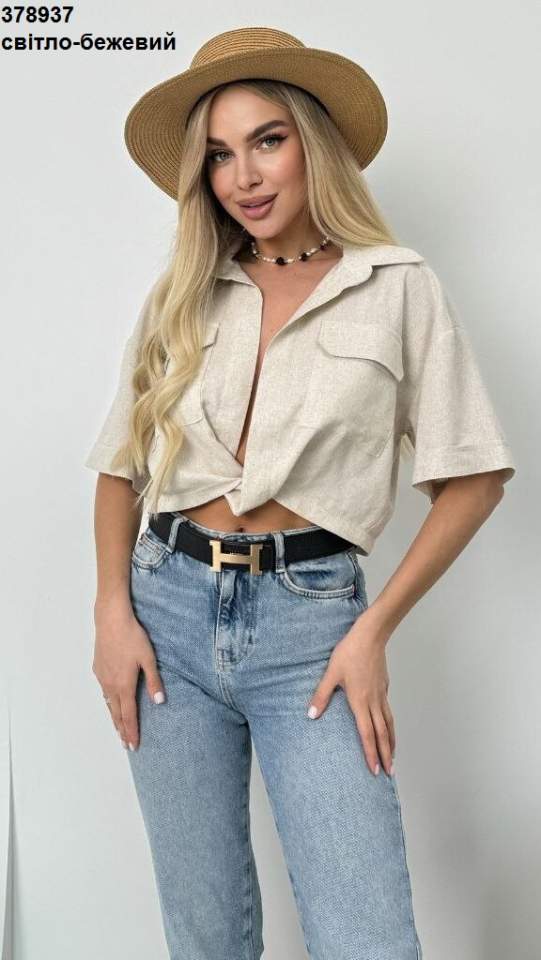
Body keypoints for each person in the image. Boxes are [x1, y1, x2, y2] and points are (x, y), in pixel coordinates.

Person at [85, 26, 516, 960]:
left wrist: (370, 631)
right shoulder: (184, 291)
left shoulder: (396, 288)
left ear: (312, 143)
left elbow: (473, 477)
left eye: (266, 140)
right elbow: (121, 465)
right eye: (218, 154)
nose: (243, 175)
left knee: (365, 937)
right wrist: (112, 614)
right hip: (165, 617)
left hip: (310, 627)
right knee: (203, 930)